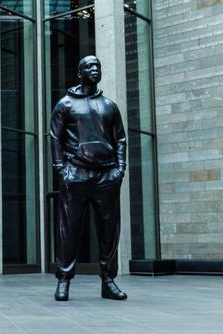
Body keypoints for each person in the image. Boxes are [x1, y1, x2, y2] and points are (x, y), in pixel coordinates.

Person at [49, 55, 128, 302]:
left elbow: (121, 140)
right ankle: (63, 280)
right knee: (68, 230)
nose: (95, 70)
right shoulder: (65, 104)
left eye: (98, 66)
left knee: (108, 231)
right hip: (76, 174)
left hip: (107, 175)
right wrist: (62, 170)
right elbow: (55, 138)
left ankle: (108, 280)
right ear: (79, 72)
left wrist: (120, 170)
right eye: (89, 67)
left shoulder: (109, 106)